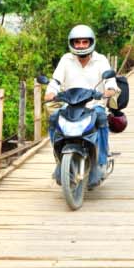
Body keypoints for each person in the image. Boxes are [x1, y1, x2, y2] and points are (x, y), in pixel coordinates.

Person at [46, 25, 118, 176]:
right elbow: (56, 81)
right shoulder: (66, 60)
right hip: (70, 106)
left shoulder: (101, 60)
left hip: (94, 105)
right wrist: (51, 92)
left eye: (84, 42)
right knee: (54, 118)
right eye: (77, 42)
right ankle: (59, 159)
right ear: (71, 44)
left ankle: (102, 160)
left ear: (91, 42)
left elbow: (111, 82)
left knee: (101, 117)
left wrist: (108, 90)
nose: (81, 45)